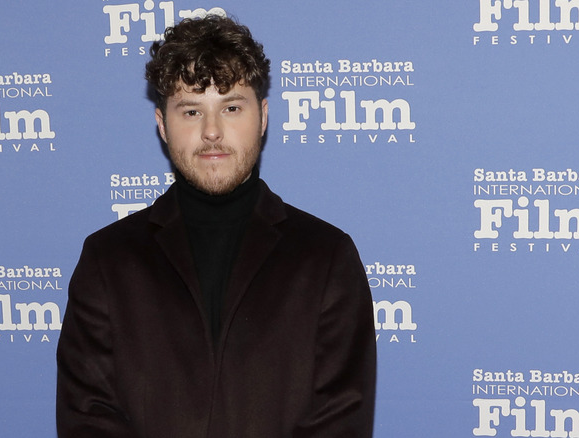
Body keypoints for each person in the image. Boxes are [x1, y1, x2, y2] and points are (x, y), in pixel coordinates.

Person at [56, 14, 376, 438]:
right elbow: (88, 419)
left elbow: (340, 422)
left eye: (230, 107)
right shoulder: (108, 261)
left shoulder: (326, 257)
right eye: (191, 110)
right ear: (162, 125)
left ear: (262, 117)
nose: (211, 132)